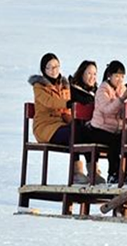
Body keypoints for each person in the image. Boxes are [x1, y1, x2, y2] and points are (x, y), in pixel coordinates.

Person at [28, 52, 88, 184]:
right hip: (45, 127)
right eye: (50, 67)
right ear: (44, 70)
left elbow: (66, 111)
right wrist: (67, 103)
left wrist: (74, 119)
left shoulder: (65, 86)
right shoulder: (39, 86)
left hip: (61, 124)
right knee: (74, 133)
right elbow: (49, 101)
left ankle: (93, 171)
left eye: (56, 66)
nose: (54, 70)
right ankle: (76, 172)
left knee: (83, 131)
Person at [89, 60, 127, 184]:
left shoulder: (122, 89)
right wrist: (122, 99)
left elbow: (122, 113)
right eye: (117, 76)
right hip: (99, 129)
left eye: (122, 77)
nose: (119, 79)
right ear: (109, 75)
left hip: (115, 129)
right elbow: (107, 110)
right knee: (115, 141)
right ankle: (113, 174)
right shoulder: (102, 90)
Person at [68, 60, 106, 184]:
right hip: (75, 126)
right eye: (89, 73)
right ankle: (77, 171)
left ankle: (93, 171)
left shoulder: (96, 92)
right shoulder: (73, 90)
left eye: (94, 74)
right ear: (81, 73)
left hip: (90, 126)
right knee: (82, 133)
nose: (92, 77)